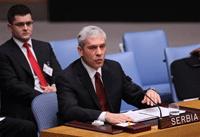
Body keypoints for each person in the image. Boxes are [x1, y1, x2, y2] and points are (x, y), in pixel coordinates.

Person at [56, 26, 161, 125]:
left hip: (114, 130)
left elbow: (135, 96)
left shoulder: (114, 68)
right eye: (93, 48)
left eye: (102, 46)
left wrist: (150, 94)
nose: (99, 52)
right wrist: (105, 116)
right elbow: (69, 110)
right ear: (80, 51)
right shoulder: (66, 77)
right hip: (85, 130)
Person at [0, 4, 62, 123]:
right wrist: (43, 97)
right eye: (20, 24)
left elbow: (58, 72)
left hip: (52, 96)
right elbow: (13, 85)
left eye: (29, 23)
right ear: (10, 27)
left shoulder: (44, 47)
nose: (25, 28)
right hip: (24, 104)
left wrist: (54, 86)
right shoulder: (3, 52)